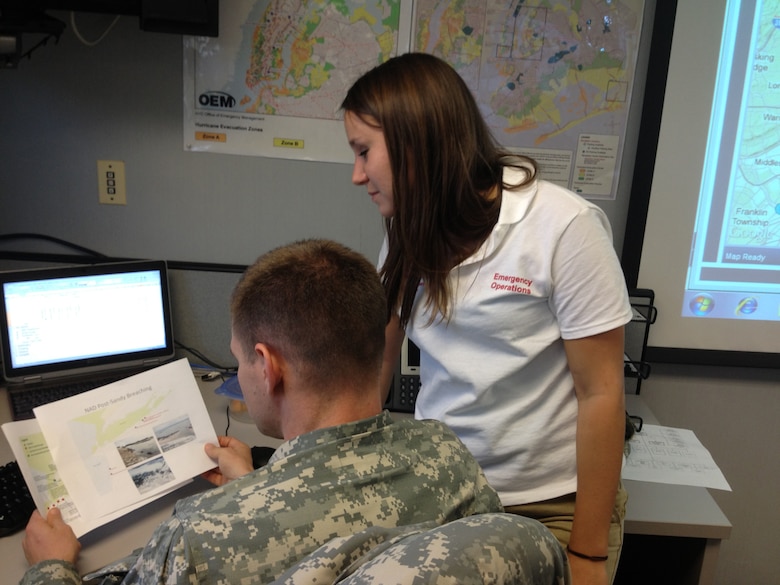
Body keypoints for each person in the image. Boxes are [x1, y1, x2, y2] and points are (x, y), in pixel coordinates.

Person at [19, 239, 569, 585]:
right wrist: (258, 483)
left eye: (238, 362)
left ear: (267, 365)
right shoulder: (448, 457)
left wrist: (50, 565)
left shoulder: (200, 538)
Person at [342, 52, 633, 585]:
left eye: (364, 152)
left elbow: (602, 393)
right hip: (443, 487)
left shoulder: (563, 227)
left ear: (415, 142)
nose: (356, 174)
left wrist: (588, 553)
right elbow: (377, 358)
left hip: (550, 504)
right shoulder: (408, 227)